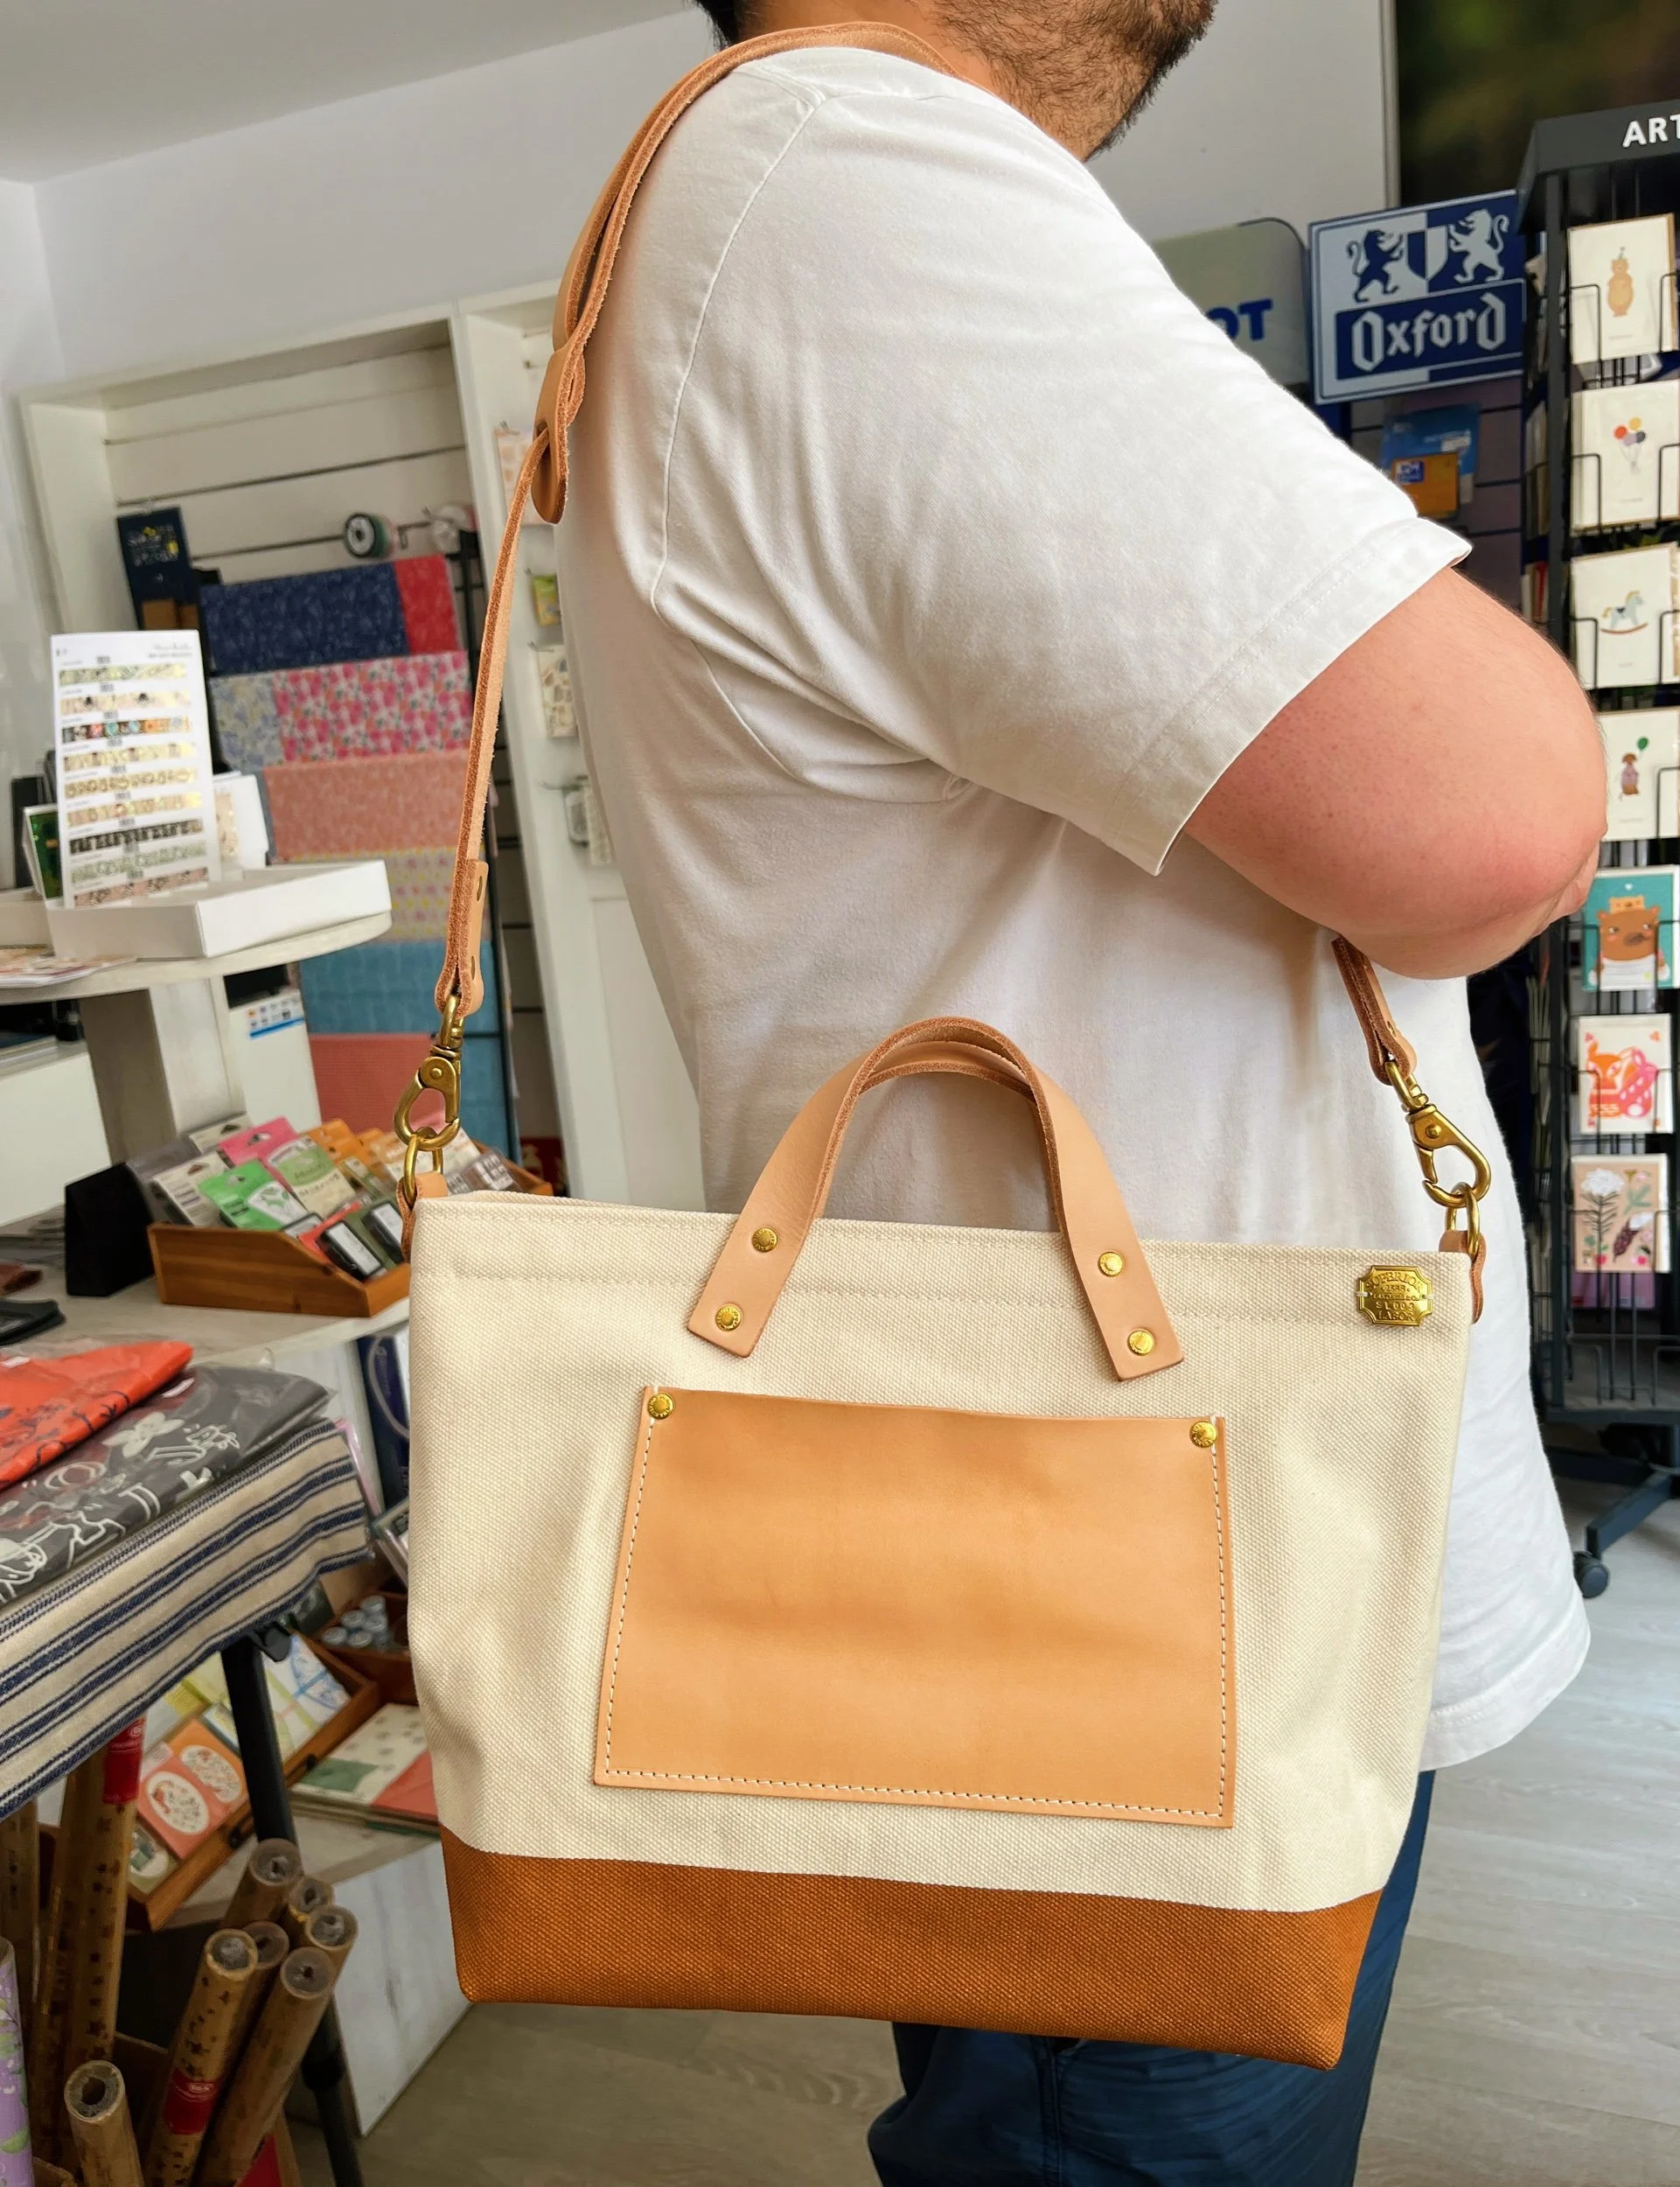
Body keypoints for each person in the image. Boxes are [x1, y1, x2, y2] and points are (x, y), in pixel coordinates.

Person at [550, 2, 1606, 2179]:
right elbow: (1497, 815)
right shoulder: (849, 177)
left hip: (1148, 1560)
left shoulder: (808, 195)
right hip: (1142, 1619)